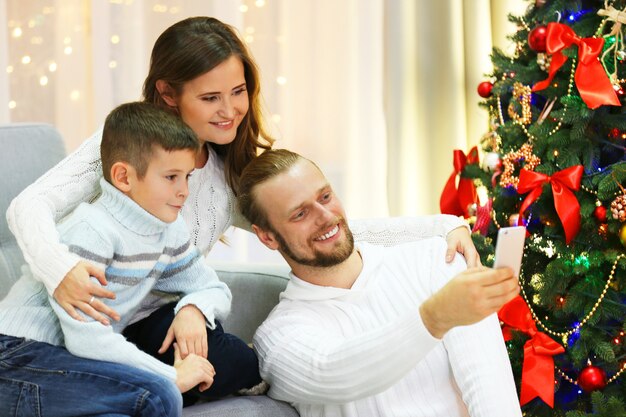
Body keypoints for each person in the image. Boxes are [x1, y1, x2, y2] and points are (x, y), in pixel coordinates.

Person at [5, 16, 478, 399]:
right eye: (210, 97)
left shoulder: (230, 178)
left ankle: (134, 386)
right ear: (169, 94)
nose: (230, 110)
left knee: (235, 358)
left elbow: (318, 222)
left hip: (136, 328)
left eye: (238, 92)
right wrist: (60, 269)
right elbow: (28, 206)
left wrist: (441, 226)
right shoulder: (128, 145)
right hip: (58, 329)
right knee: (216, 361)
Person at [237, 149, 524, 417]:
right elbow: (339, 371)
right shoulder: (278, 337)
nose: (325, 217)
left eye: (325, 197)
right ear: (267, 237)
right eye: (300, 214)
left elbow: (490, 388)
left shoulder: (436, 259)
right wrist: (435, 317)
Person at [0, 102, 231, 416]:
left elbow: (214, 288)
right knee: (160, 395)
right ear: (124, 177)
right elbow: (87, 340)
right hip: (16, 354)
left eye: (187, 177)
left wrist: (192, 308)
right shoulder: (92, 231)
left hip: (63, 360)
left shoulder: (168, 229)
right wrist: (171, 375)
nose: (184, 192)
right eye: (171, 177)